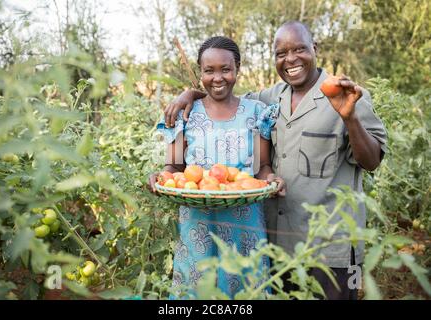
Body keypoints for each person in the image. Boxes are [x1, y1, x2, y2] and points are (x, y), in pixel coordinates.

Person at [163, 21, 387, 300]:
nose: (290, 59)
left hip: (331, 246)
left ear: (315, 49)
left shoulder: (347, 96)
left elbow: (372, 160)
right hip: (280, 243)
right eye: (281, 53)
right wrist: (189, 94)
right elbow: (221, 97)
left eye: (299, 49)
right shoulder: (270, 99)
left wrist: (350, 117)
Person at [148, 36, 285, 299]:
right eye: (209, 71)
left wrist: (272, 179)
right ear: (201, 73)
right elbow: (174, 166)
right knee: (198, 289)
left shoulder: (257, 112)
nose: (217, 77)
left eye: (225, 69)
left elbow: (262, 167)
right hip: (198, 224)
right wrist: (161, 177)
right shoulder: (185, 114)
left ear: (237, 69)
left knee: (245, 291)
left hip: (245, 224)